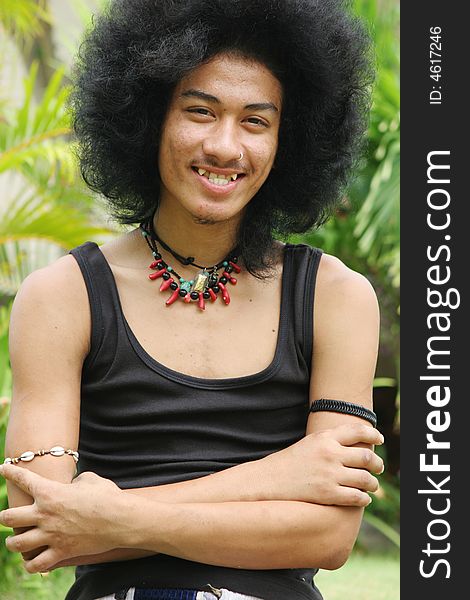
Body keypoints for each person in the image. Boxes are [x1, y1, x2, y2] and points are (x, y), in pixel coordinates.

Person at [0, 1, 384, 599]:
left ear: (290, 137)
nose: (225, 147)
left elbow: (329, 537)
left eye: (256, 121)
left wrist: (114, 517)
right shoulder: (62, 297)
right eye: (200, 112)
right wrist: (279, 477)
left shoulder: (335, 298)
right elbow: (40, 529)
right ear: (149, 117)